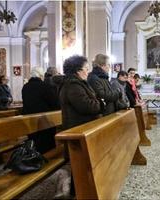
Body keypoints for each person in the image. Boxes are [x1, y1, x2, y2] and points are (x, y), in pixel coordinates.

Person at [57, 55, 104, 199]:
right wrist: (101, 104)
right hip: (77, 129)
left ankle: (81, 190)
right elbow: (87, 106)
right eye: (86, 69)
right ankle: (80, 192)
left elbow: (92, 100)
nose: (88, 72)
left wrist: (98, 102)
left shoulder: (78, 83)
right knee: (79, 165)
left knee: (82, 166)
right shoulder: (73, 86)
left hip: (82, 128)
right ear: (77, 70)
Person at [22, 67, 60, 154]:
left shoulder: (25, 87)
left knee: (33, 143)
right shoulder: (45, 86)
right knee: (45, 145)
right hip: (43, 121)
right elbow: (54, 103)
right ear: (40, 75)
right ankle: (46, 159)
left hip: (29, 120)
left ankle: (32, 158)